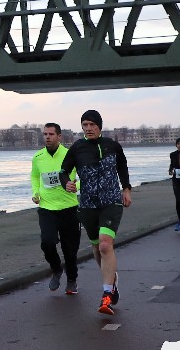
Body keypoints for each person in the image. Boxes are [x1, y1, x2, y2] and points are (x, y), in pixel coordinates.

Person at [60, 109, 132, 316]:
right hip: (88, 204)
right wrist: (67, 183)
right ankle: (112, 280)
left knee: (105, 244)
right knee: (96, 247)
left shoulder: (112, 145)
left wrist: (126, 189)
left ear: (99, 126)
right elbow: (63, 171)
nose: (88, 128)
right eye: (85, 125)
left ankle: (107, 294)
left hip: (111, 201)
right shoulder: (77, 148)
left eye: (92, 125)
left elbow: (122, 165)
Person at [31, 122, 79, 295]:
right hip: (47, 208)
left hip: (68, 207)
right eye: (45, 134)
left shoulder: (70, 155)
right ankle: (56, 269)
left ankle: (72, 279)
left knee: (70, 250)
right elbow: (35, 177)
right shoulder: (38, 157)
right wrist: (36, 192)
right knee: (47, 242)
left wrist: (76, 186)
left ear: (59, 136)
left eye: (51, 134)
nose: (47, 137)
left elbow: (83, 176)